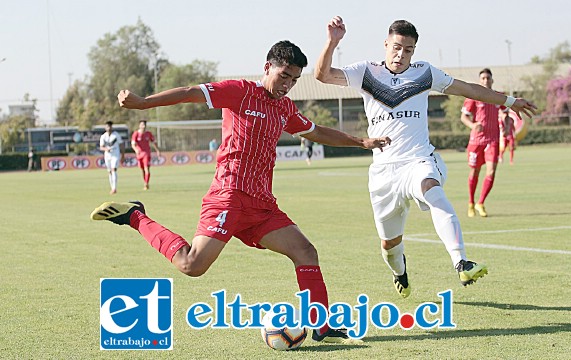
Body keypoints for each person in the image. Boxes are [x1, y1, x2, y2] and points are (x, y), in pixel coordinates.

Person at [91, 40, 389, 344]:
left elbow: (317, 132)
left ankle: (322, 327)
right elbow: (191, 93)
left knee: (305, 252)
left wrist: (361, 142)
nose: (288, 85)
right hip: (228, 195)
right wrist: (143, 103)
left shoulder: (284, 108)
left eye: (294, 80)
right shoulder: (240, 91)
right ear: (267, 67)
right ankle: (135, 216)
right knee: (191, 265)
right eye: (284, 76)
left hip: (262, 204)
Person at [315, 16, 536, 298]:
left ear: (414, 51)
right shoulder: (365, 72)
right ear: (386, 44)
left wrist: (510, 101)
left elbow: (468, 89)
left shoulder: (425, 73)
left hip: (417, 160)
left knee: (432, 190)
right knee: (389, 245)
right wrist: (332, 42)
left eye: (408, 50)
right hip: (383, 172)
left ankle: (461, 262)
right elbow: (322, 75)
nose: (401, 54)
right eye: (396, 47)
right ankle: (400, 272)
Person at [461, 68, 507, 218]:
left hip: (493, 140)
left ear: (492, 81)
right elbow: (464, 117)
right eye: (483, 78)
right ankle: (471, 203)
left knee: (491, 171)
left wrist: (507, 124)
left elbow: (506, 112)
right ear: (479, 81)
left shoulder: (498, 97)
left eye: (488, 78)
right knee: (475, 171)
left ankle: (481, 203)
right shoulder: (472, 97)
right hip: (476, 141)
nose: (486, 80)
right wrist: (473, 125)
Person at [131, 120, 160, 190]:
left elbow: (154, 142)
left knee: (147, 168)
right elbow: (133, 144)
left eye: (144, 125)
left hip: (146, 153)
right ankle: (145, 182)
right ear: (139, 126)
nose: (143, 126)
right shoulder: (136, 134)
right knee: (142, 169)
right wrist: (136, 150)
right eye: (142, 125)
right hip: (139, 154)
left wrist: (157, 150)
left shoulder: (148, 134)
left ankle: (146, 183)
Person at [99, 121, 124, 194]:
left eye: (110, 126)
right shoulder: (103, 136)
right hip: (107, 155)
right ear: (105, 127)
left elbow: (121, 144)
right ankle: (112, 187)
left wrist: (123, 155)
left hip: (115, 154)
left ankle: (114, 188)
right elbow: (101, 147)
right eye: (107, 126)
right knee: (109, 171)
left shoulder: (116, 135)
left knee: (114, 169)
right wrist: (106, 149)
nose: (109, 128)